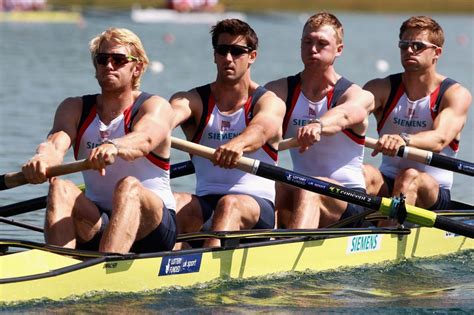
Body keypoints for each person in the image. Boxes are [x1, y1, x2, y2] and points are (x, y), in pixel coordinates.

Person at [21, 28, 177, 254]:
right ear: (96, 66)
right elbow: (56, 143)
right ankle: (55, 266)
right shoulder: (74, 108)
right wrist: (42, 159)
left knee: (129, 185)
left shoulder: (155, 106)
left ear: (138, 68)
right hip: (98, 220)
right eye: (102, 59)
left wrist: (115, 146)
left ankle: (104, 267)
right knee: (61, 187)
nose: (109, 65)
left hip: (153, 227)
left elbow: (145, 138)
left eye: (119, 59)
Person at [170, 19, 286, 248]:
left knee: (229, 204)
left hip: (255, 210)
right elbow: (168, 116)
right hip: (206, 204)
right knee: (172, 202)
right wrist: (149, 132)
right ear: (214, 55)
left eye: (237, 51)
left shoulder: (268, 102)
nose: (229, 58)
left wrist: (239, 145)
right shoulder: (193, 100)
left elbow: (262, 128)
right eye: (222, 50)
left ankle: (205, 275)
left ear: (252, 56)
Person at [265, 12, 374, 229]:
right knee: (272, 186)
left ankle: (289, 251)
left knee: (310, 188)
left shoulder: (356, 95)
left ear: (339, 50)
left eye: (322, 43)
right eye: (308, 42)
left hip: (350, 201)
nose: (313, 49)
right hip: (302, 189)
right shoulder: (279, 91)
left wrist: (319, 125)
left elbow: (346, 114)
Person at [363, 16, 472, 213]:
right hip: (387, 180)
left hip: (432, 190)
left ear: (436, 52)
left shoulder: (455, 94)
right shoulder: (380, 88)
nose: (409, 50)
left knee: (409, 176)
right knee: (364, 173)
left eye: (417, 46)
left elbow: (439, 139)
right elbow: (351, 111)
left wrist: (403, 140)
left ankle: (388, 234)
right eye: (404, 45)